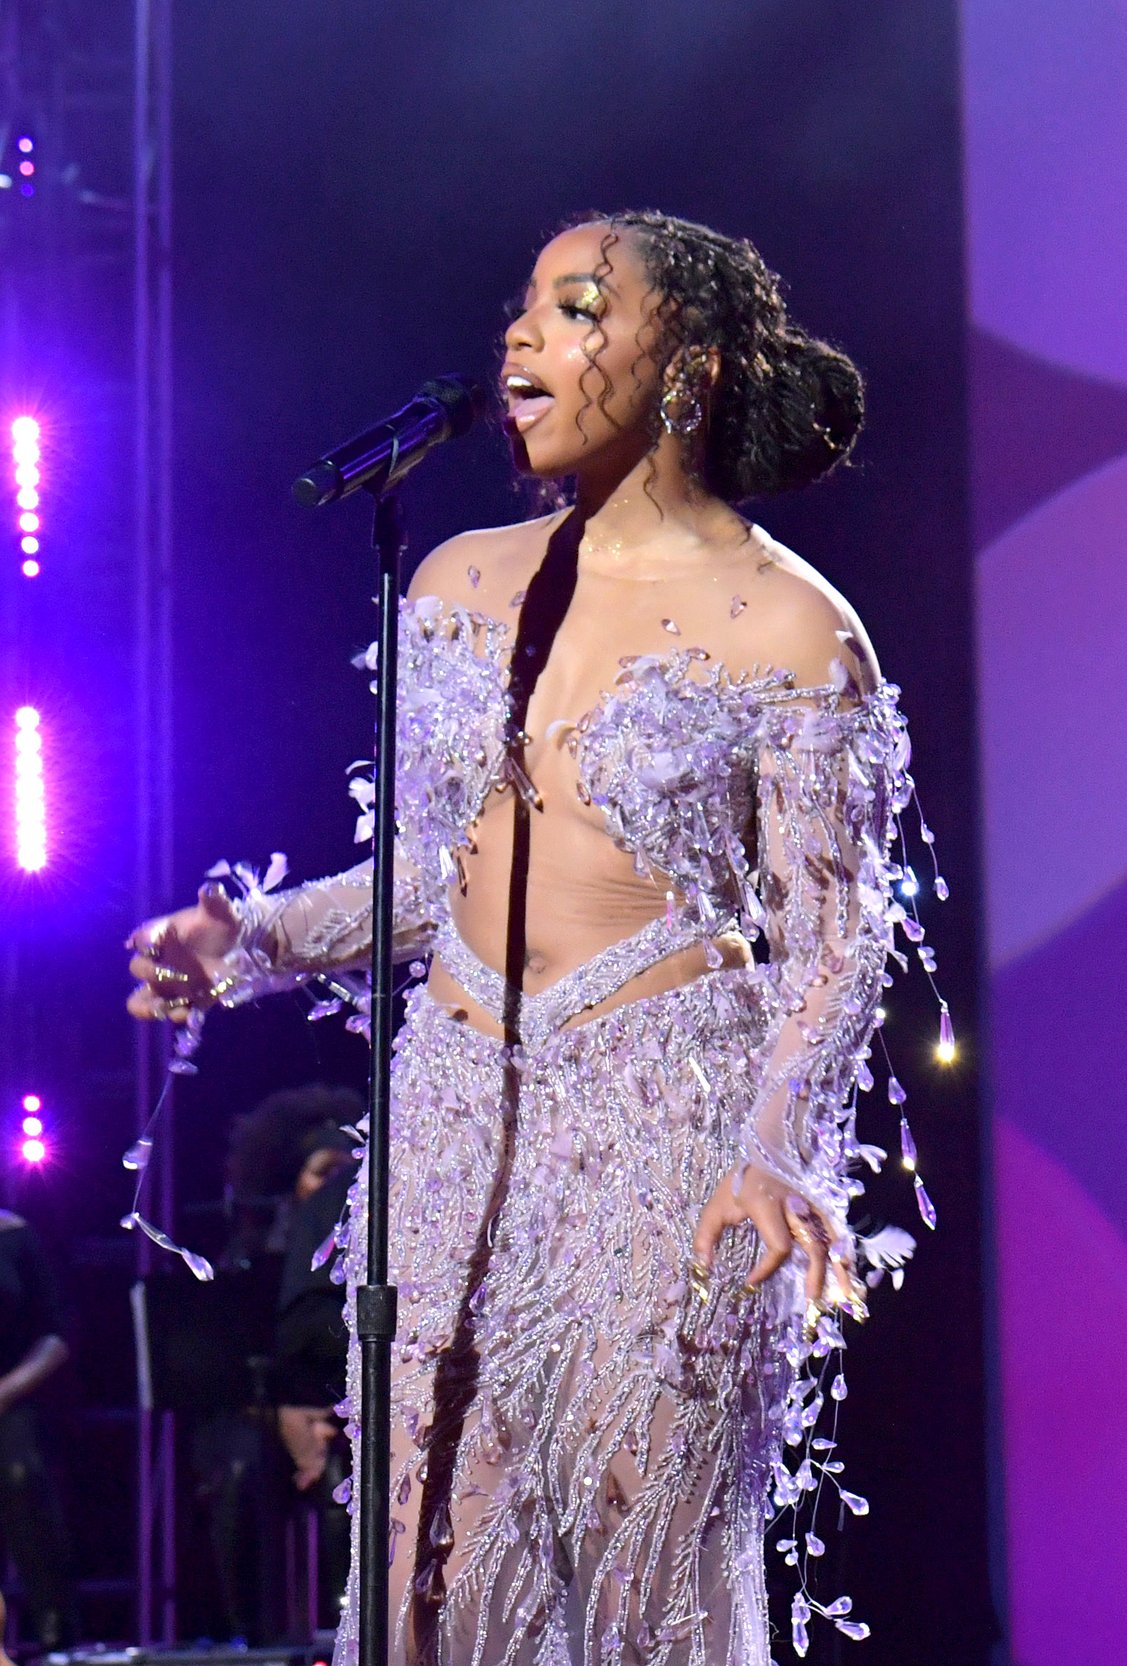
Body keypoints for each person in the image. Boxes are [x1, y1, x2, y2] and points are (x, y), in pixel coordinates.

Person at [125, 211, 937, 1665]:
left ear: (683, 367)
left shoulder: (793, 629)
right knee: (434, 1570)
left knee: (647, 1580)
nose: (520, 338)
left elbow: (836, 942)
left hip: (658, 1134)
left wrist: (770, 1147)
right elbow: (436, 876)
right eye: (523, 309)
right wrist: (245, 940)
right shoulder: (457, 583)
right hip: (453, 1130)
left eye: (573, 309)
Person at [0, 1207, 73, 1654]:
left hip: (11, 1398)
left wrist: (5, 1391)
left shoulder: (17, 1236)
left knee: (21, 1474)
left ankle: (54, 1629)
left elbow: (56, 1332)